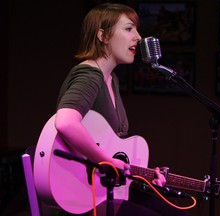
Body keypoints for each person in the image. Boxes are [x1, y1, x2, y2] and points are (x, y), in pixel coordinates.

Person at [55, 3, 189, 216]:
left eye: (136, 29)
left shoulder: (112, 79)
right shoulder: (90, 75)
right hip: (85, 193)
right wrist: (106, 160)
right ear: (103, 36)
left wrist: (141, 174)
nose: (138, 37)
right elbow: (65, 122)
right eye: (129, 29)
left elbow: (110, 146)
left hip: (105, 186)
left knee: (179, 214)